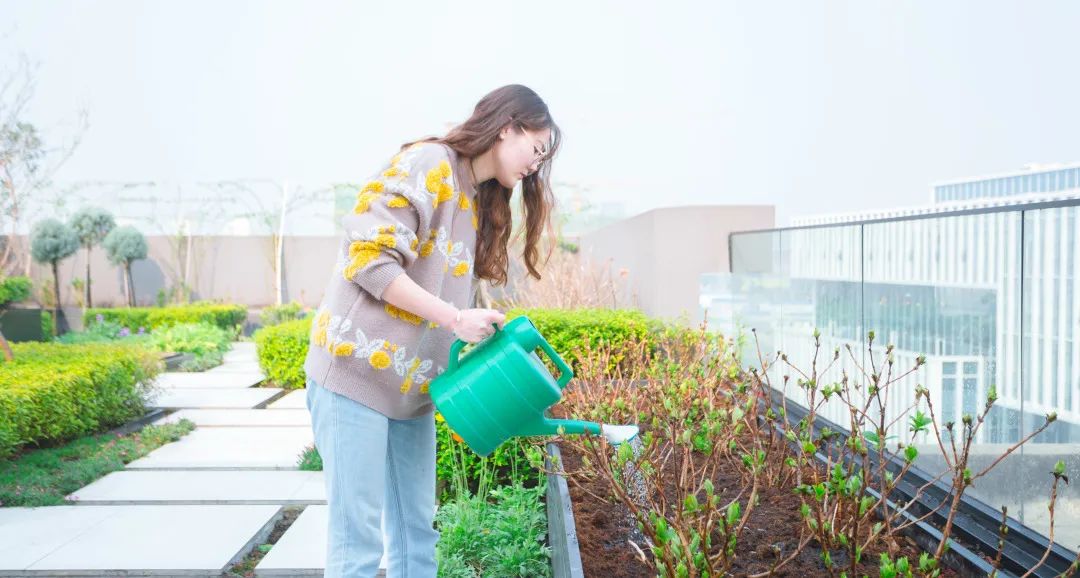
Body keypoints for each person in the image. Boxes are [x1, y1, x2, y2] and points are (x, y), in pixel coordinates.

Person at [304, 84, 561, 577]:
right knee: (355, 546)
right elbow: (368, 261)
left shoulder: (479, 198)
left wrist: (475, 324)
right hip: (353, 378)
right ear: (508, 126)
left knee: (416, 535)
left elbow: (446, 290)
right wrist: (453, 318)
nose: (536, 164)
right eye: (537, 148)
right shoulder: (429, 164)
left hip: (411, 394)